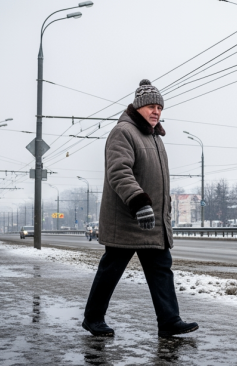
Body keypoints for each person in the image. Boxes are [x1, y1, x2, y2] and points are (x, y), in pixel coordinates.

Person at [82, 79, 198, 338]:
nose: (156, 111)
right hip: (126, 219)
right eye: (151, 107)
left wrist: (161, 212)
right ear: (138, 107)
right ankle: (93, 318)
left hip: (153, 221)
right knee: (110, 271)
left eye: (160, 107)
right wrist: (139, 201)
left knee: (161, 271)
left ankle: (169, 321)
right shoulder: (123, 132)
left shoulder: (154, 137)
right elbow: (119, 171)